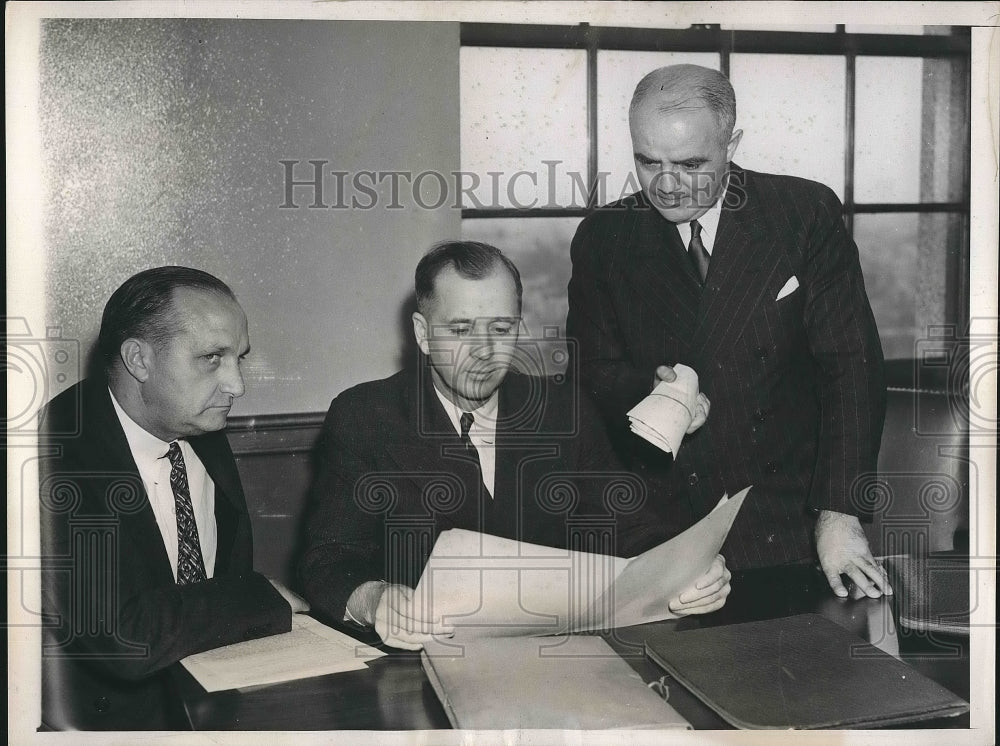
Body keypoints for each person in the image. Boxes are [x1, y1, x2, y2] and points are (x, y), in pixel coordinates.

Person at [300, 241, 730, 650]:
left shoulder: (563, 410)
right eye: (462, 329)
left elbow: (630, 528)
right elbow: (327, 560)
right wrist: (375, 599)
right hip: (420, 662)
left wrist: (690, 571)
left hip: (555, 658)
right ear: (423, 333)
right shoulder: (366, 416)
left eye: (501, 328)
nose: (484, 352)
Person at [566, 64, 891, 599]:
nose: (666, 185)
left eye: (691, 163)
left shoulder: (801, 214)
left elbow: (851, 368)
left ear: (731, 143)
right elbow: (589, 375)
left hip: (788, 518)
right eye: (648, 162)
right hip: (663, 526)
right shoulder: (605, 237)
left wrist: (839, 513)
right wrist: (652, 390)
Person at [38, 266, 308, 730]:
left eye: (239, 358)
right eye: (211, 358)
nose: (236, 385)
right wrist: (260, 598)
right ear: (139, 360)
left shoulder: (194, 418)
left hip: (212, 709)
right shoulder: (59, 449)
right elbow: (122, 636)